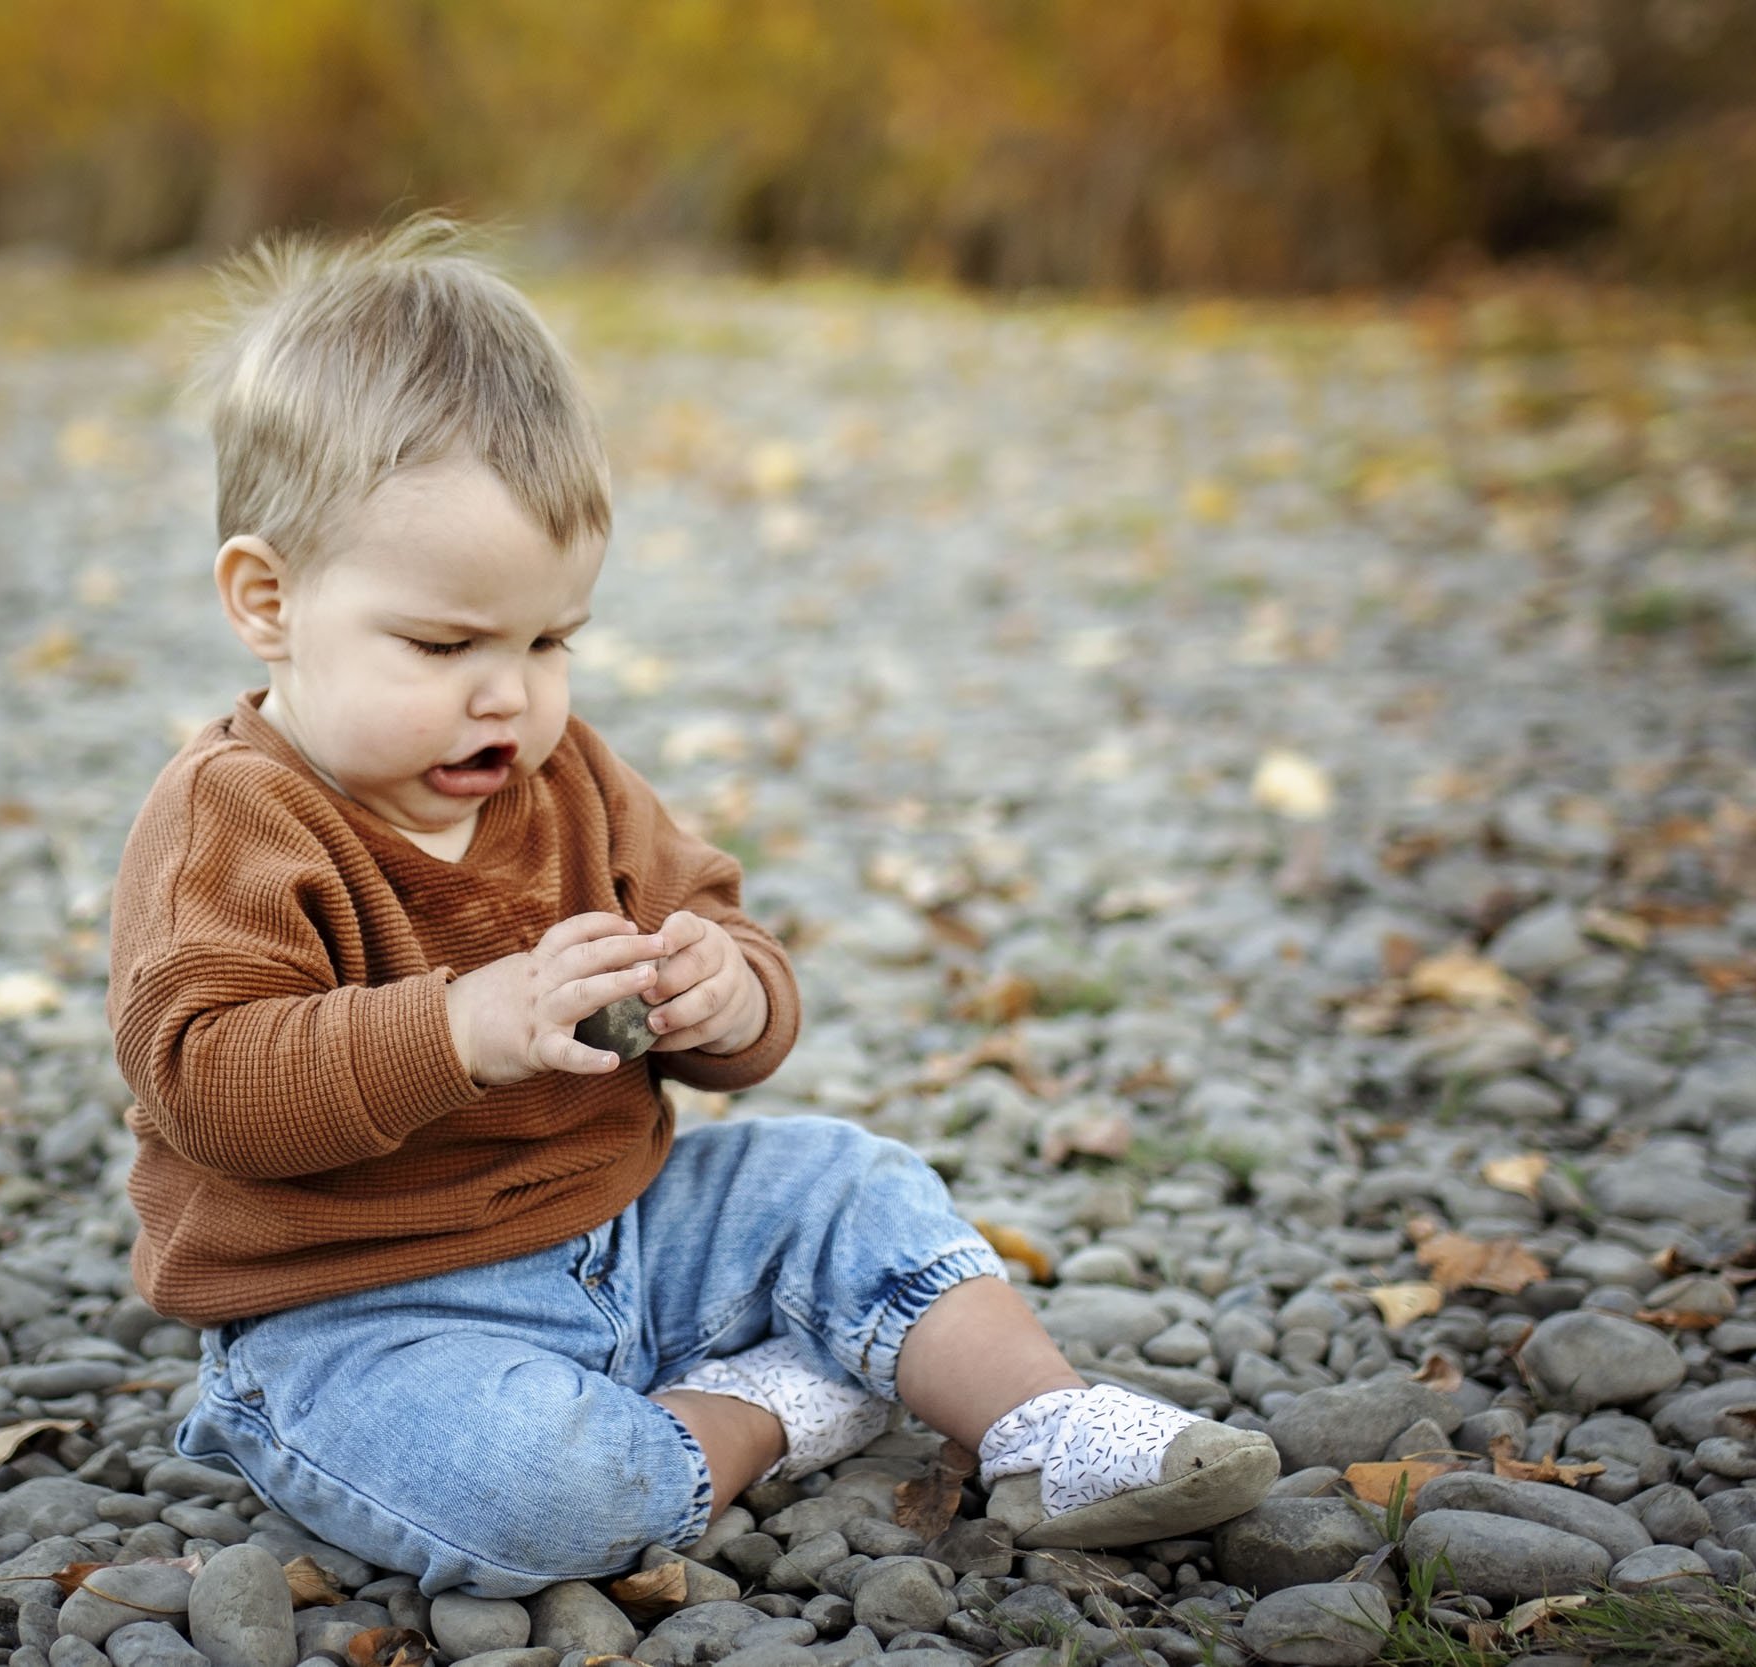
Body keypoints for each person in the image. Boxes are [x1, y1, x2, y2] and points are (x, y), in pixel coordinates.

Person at [105, 219, 1276, 1598]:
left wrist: (726, 992)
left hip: (630, 1229)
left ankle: (1047, 1425)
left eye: (549, 641)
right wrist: (460, 1030)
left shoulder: (572, 775)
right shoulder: (232, 822)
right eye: (443, 644)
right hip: (359, 1311)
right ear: (268, 601)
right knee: (541, 1497)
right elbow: (206, 1081)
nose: (509, 695)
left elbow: (729, 948)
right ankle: (769, 1408)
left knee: (846, 1181)